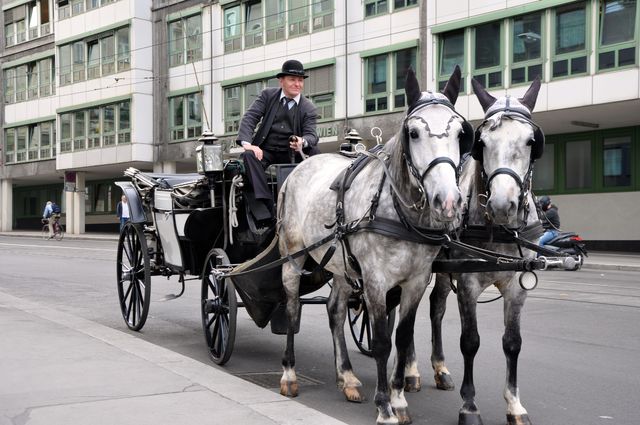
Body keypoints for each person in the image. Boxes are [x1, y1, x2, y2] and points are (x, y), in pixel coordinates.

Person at [236, 59, 319, 208]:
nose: (297, 84)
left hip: (291, 153)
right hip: (265, 150)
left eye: (300, 80)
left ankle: (317, 198)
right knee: (249, 156)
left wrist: (302, 141)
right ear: (281, 81)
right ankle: (267, 203)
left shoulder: (309, 107)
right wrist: (248, 145)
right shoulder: (268, 95)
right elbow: (250, 117)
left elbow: (312, 135)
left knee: (316, 153)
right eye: (292, 80)